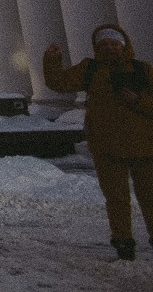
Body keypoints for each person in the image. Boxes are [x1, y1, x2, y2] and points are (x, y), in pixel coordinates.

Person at [45, 24, 153, 262]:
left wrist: (138, 100)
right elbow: (59, 83)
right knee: (116, 198)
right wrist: (53, 61)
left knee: (150, 196)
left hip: (144, 146)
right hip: (107, 147)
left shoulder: (143, 70)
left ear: (124, 46)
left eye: (114, 44)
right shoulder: (90, 70)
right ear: (97, 47)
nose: (110, 49)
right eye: (104, 45)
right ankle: (123, 243)